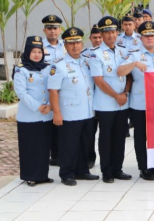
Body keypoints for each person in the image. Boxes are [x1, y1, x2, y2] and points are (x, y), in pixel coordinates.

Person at [118, 21, 154, 181]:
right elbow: (120, 71)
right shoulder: (134, 55)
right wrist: (134, 64)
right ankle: (144, 167)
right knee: (141, 137)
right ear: (140, 38)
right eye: (146, 36)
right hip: (140, 103)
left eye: (152, 35)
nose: (149, 38)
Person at [48, 27, 99, 186]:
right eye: (71, 43)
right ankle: (67, 174)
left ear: (82, 43)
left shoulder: (87, 61)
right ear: (65, 45)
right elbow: (53, 91)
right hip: (69, 113)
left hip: (88, 111)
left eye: (77, 42)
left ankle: (82, 171)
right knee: (69, 145)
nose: (75, 46)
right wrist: (56, 113)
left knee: (85, 143)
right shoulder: (59, 65)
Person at [89, 16, 133, 184]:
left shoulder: (123, 51)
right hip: (106, 103)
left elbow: (129, 76)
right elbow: (99, 80)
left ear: (117, 32)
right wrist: (116, 96)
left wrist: (125, 93)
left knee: (120, 137)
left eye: (113, 31)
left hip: (122, 102)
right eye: (106, 32)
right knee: (106, 138)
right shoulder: (96, 54)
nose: (110, 35)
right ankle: (107, 171)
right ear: (101, 34)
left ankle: (118, 168)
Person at [14, 35, 53, 187]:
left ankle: (42, 175)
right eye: (33, 51)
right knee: (29, 147)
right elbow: (21, 93)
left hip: (46, 115)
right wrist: (38, 106)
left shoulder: (48, 67)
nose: (37, 54)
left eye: (39, 51)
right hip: (29, 116)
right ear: (27, 52)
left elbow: (53, 88)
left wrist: (50, 104)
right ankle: (30, 176)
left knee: (43, 147)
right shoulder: (21, 70)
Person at [42, 14, 65, 167]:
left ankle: (60, 154)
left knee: (61, 122)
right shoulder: (39, 48)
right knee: (48, 124)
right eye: (49, 28)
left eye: (55, 28)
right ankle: (52, 154)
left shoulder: (66, 46)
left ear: (60, 29)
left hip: (64, 90)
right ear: (44, 30)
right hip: (45, 90)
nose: (52, 31)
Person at [82, 25, 102, 168]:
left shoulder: (111, 53)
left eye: (100, 37)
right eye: (95, 38)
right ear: (90, 39)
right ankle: (89, 157)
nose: (98, 40)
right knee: (89, 131)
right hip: (90, 98)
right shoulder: (84, 55)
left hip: (106, 97)